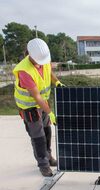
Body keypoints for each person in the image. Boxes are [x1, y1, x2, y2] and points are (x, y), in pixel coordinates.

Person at [13, 38, 65, 177]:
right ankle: (43, 165)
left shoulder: (43, 58)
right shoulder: (24, 71)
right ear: (30, 55)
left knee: (47, 131)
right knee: (38, 137)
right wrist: (51, 113)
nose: (42, 63)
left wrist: (57, 82)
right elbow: (37, 97)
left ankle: (48, 157)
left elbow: (48, 72)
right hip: (30, 107)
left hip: (43, 104)